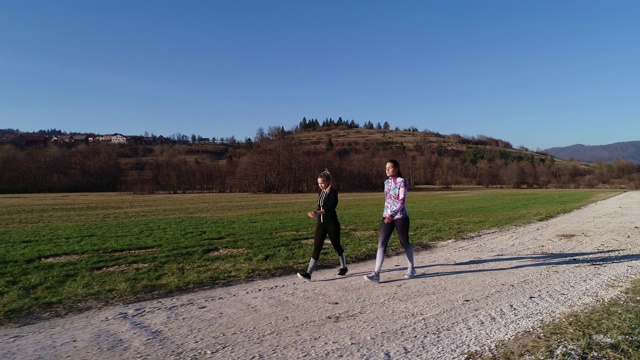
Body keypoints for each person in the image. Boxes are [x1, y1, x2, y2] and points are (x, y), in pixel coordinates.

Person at [364, 159, 416, 283]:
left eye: (390, 167)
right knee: (381, 243)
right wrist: (387, 215)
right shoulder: (386, 182)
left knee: (404, 242)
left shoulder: (402, 182)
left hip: (400, 217)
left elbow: (402, 201)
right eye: (386, 168)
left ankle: (412, 268)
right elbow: (387, 201)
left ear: (396, 168)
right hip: (386, 216)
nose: (387, 170)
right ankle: (376, 274)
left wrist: (392, 214)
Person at [297, 169, 348, 281]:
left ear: (328, 182)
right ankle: (308, 273)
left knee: (336, 245)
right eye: (319, 183)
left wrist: (317, 212)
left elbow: (330, 207)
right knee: (317, 247)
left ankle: (343, 267)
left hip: (332, 223)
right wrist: (315, 212)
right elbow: (320, 207)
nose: (320, 185)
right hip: (321, 223)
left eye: (322, 183)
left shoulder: (333, 192)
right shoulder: (320, 192)